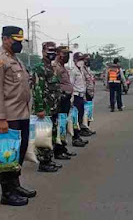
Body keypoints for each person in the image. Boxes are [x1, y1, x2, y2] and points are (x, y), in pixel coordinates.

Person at [0, 26, 35, 206]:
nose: (19, 43)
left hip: (22, 114)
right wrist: (0, 118)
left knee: (19, 152)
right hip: (8, 116)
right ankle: (6, 193)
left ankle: (15, 185)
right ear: (5, 39)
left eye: (20, 40)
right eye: (16, 40)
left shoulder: (16, 60)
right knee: (7, 155)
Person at [31, 42, 66, 173]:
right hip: (44, 108)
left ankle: (49, 159)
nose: (52, 53)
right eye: (50, 50)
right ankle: (43, 162)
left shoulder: (51, 68)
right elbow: (37, 89)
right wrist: (40, 108)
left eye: (54, 51)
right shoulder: (39, 68)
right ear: (43, 51)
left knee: (51, 135)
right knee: (43, 136)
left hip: (53, 107)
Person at [54, 45, 78, 157]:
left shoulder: (63, 67)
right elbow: (54, 84)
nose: (67, 56)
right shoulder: (56, 67)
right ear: (58, 54)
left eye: (68, 54)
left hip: (66, 99)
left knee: (63, 124)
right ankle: (58, 149)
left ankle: (62, 147)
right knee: (60, 125)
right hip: (61, 100)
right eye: (64, 54)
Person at [70, 52, 90, 147]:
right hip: (76, 97)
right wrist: (72, 99)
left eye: (82, 60)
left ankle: (78, 136)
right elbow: (71, 85)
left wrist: (84, 96)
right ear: (74, 60)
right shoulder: (73, 71)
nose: (81, 62)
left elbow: (83, 84)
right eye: (79, 60)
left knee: (80, 118)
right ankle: (75, 138)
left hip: (81, 96)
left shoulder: (81, 70)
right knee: (75, 119)